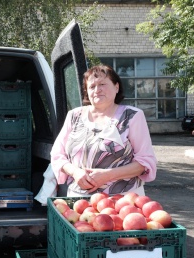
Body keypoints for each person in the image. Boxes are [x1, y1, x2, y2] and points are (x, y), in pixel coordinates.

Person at [50, 64, 157, 197]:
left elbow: (145, 162)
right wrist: (75, 172)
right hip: (79, 200)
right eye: (92, 86)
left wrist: (108, 175)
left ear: (116, 87)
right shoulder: (74, 115)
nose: (97, 90)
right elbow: (57, 154)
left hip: (123, 201)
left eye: (102, 84)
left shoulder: (132, 116)